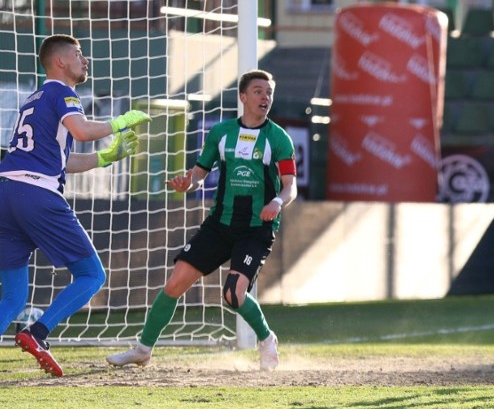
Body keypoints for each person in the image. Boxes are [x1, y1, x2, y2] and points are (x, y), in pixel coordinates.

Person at [106, 69, 297, 371]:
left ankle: (266, 339)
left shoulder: (279, 138)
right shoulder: (221, 133)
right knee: (174, 284)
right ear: (243, 96)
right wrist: (188, 183)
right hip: (220, 224)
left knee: (233, 295)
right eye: (259, 91)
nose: (265, 97)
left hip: (256, 229)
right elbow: (199, 174)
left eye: (269, 92)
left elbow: (290, 186)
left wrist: (276, 201)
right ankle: (143, 350)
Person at [0, 34, 149, 377]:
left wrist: (106, 157)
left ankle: (32, 330)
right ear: (60, 62)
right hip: (35, 195)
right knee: (92, 275)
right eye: (79, 54)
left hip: (7, 193)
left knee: (13, 298)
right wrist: (119, 122)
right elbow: (81, 131)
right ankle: (37, 332)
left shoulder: (33, 99)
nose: (86, 60)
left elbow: (61, 160)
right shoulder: (61, 91)